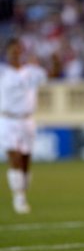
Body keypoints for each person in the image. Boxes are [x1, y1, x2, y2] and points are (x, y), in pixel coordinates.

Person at [0, 38, 48, 214]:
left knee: (26, 160)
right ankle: (18, 197)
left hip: (27, 120)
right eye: (13, 50)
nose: (16, 53)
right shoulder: (3, 72)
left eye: (18, 50)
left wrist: (56, 62)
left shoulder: (32, 72)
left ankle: (23, 191)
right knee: (15, 157)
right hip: (8, 120)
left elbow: (51, 75)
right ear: (7, 53)